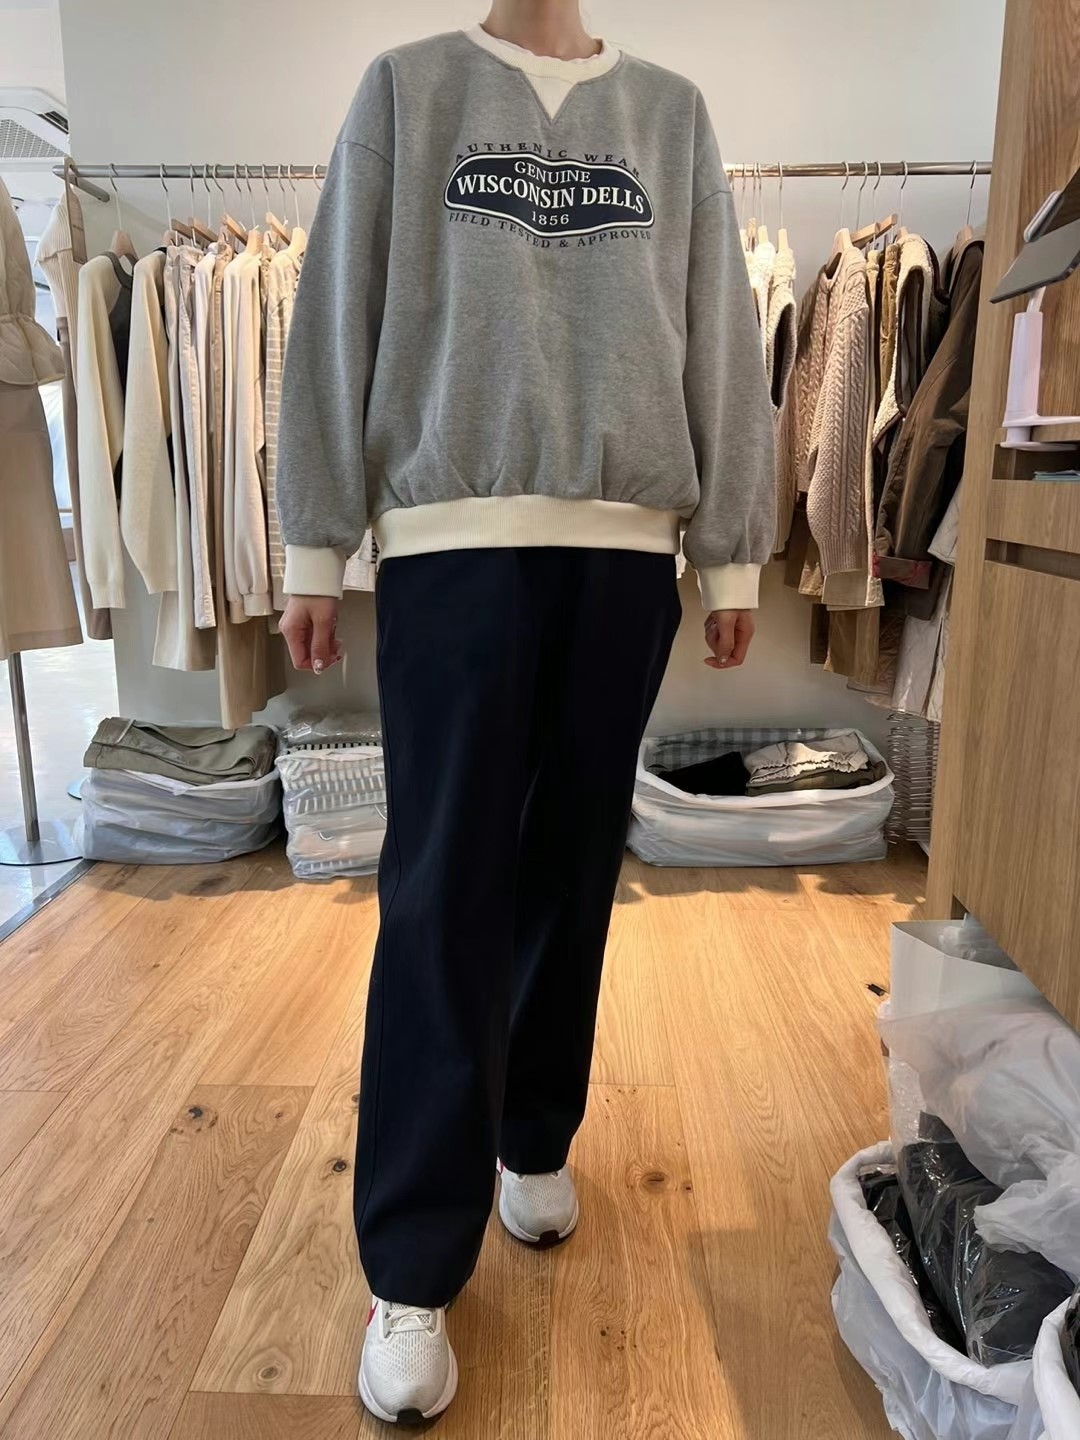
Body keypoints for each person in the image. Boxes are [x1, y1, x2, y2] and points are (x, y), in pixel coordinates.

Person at [276, 0, 774, 1424]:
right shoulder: (408, 91)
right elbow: (336, 312)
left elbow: (719, 336)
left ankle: (533, 1133)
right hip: (452, 542)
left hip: (623, 549)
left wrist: (731, 549)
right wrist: (315, 541)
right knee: (443, 888)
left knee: (573, 864)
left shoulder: (668, 114)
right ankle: (411, 1266)